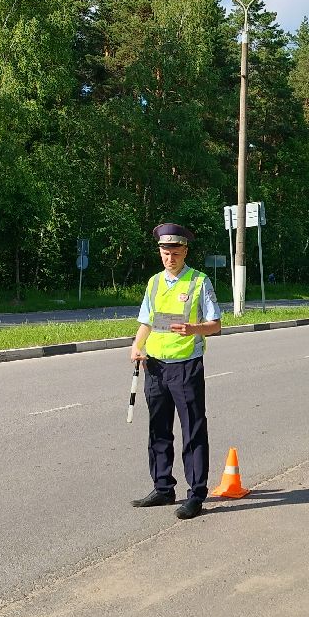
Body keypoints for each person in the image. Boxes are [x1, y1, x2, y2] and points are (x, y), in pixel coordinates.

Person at [129, 223, 222, 520]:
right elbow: (146, 321)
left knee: (192, 429)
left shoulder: (199, 281)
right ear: (160, 252)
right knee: (158, 429)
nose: (170, 256)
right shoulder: (154, 282)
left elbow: (216, 324)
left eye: (176, 251)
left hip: (186, 366)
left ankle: (196, 494)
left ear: (185, 251)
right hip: (154, 366)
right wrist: (136, 346)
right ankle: (163, 487)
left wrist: (193, 329)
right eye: (165, 251)